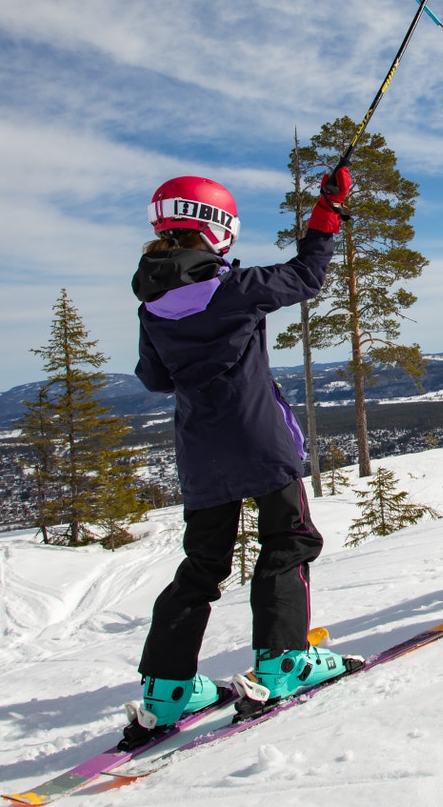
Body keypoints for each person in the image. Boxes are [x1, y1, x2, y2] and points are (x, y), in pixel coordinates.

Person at [127, 170, 355, 733]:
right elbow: (306, 275)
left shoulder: (151, 302)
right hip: (259, 441)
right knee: (289, 540)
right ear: (218, 227)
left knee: (202, 566)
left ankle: (167, 690)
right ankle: (284, 661)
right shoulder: (236, 286)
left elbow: (154, 379)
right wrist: (326, 214)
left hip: (201, 453)